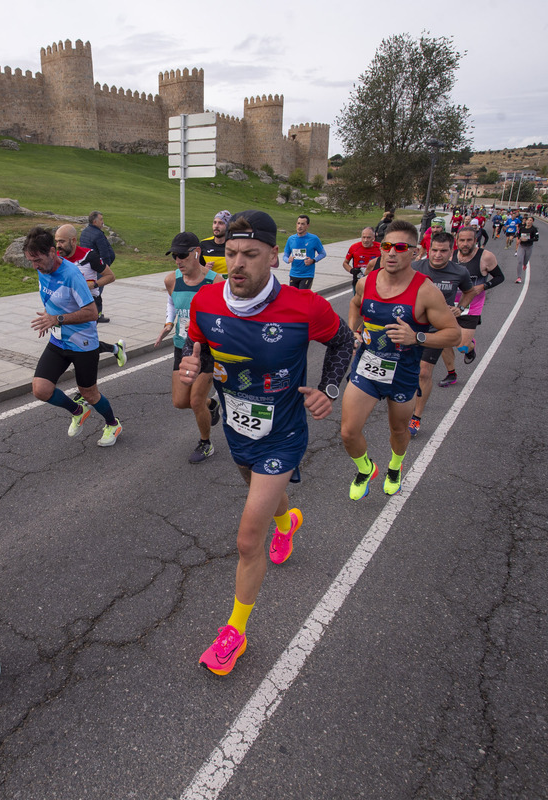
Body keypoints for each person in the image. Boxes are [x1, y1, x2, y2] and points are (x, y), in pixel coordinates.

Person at [179, 210, 354, 676]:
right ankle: (288, 517)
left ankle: (234, 632)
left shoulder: (304, 307)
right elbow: (197, 349)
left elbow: (345, 343)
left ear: (274, 257)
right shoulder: (205, 302)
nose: (237, 264)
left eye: (250, 255)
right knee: (257, 491)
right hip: (238, 427)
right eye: (230, 253)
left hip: (284, 431)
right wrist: (192, 371)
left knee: (246, 538)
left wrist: (329, 389)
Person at [340, 220, 461, 500]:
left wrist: (416, 338)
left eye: (400, 247)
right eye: (386, 246)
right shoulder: (366, 281)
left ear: (415, 252)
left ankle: (395, 466)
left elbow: (453, 334)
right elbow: (356, 304)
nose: (391, 252)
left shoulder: (425, 290)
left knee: (398, 429)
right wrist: (353, 329)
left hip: (402, 373)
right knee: (348, 432)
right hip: (367, 366)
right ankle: (365, 468)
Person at [25, 226, 122, 446]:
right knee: (40, 389)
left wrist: (57, 319)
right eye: (31, 261)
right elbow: (52, 299)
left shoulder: (72, 275)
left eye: (37, 260)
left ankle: (113, 424)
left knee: (89, 393)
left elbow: (91, 313)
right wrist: (49, 316)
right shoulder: (43, 269)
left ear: (51, 252)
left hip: (83, 343)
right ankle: (78, 411)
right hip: (59, 341)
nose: (35, 266)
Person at [154, 232, 222, 463]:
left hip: (207, 350)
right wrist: (168, 323)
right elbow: (172, 303)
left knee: (194, 401)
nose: (178, 261)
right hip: (181, 345)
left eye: (182, 255)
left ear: (197, 252)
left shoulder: (216, 281)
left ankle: (205, 443)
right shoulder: (171, 280)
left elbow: (227, 317)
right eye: (174, 256)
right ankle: (211, 405)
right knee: (180, 401)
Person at [407, 231, 480, 437]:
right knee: (406, 370)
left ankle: (416, 418)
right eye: (434, 250)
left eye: (443, 251)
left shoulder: (460, 272)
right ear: (428, 249)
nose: (437, 255)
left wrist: (460, 308)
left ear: (452, 251)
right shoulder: (414, 267)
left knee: (424, 372)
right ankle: (406, 400)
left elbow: (469, 291)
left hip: (436, 330)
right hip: (411, 327)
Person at [53, 224, 125, 365]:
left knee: (83, 342)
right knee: (79, 341)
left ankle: (112, 351)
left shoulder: (89, 256)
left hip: (90, 304)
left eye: (62, 241)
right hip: (69, 306)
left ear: (73, 241)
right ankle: (116, 349)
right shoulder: (57, 259)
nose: (58, 246)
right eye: (56, 241)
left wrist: (92, 284)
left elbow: (110, 276)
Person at [436, 225, 498, 388]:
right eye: (462, 240)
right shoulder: (450, 256)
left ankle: (469, 346)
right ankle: (451, 374)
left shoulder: (486, 257)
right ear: (456, 241)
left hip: (472, 305)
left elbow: (499, 277)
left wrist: (483, 286)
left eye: (469, 240)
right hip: (449, 304)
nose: (465, 244)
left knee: (462, 346)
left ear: (475, 240)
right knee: (444, 341)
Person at [79, 211, 117, 321]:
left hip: (86, 268)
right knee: (97, 293)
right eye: (101, 220)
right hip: (97, 268)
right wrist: (105, 270)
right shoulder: (98, 234)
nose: (103, 222)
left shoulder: (85, 232)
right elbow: (104, 254)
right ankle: (96, 315)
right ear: (95, 221)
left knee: (90, 291)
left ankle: (87, 312)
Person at [282, 214, 326, 290]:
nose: (300, 226)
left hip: (307, 275)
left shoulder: (314, 239)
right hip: (293, 274)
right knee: (293, 299)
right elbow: (285, 256)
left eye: (303, 224)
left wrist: (313, 260)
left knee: (302, 298)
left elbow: (323, 253)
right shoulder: (291, 239)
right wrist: (288, 260)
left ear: (307, 226)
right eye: (298, 223)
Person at [199, 210, 231, 276]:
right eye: (214, 222)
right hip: (211, 284)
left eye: (221, 223)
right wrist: (204, 269)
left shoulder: (234, 244)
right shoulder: (204, 244)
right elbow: (196, 270)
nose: (216, 226)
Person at [515, 215, 538, 283]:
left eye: (530, 220)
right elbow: (517, 234)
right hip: (521, 246)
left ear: (532, 222)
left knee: (526, 260)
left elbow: (536, 238)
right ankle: (519, 277)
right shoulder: (522, 228)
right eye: (528, 220)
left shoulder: (534, 229)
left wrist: (527, 240)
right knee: (519, 261)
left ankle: (525, 264)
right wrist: (519, 238)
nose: (528, 222)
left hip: (529, 247)